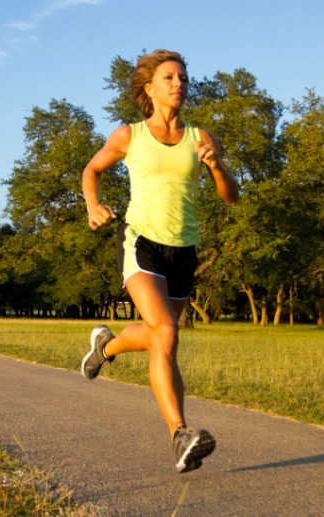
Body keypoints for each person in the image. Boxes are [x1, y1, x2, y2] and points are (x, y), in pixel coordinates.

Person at [80, 49, 239, 473]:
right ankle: (180, 435)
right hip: (141, 242)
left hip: (183, 249)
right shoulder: (128, 136)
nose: (178, 83)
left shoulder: (200, 136)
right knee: (166, 331)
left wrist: (217, 165)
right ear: (149, 88)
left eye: (183, 77)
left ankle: (106, 346)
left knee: (159, 337)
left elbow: (231, 196)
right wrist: (93, 204)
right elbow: (91, 171)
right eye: (169, 77)